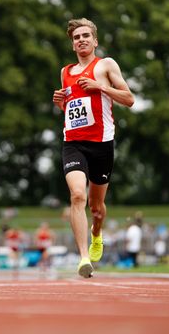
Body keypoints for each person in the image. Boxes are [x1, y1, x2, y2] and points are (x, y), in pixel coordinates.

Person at [53, 18, 135, 278]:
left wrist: (100, 86)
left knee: (96, 207)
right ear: (72, 44)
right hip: (73, 143)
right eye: (76, 37)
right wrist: (59, 103)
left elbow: (130, 99)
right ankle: (83, 258)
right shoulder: (65, 72)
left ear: (95, 41)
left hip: (101, 145)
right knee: (77, 196)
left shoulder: (106, 65)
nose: (81, 40)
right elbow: (71, 109)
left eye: (86, 35)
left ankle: (96, 233)